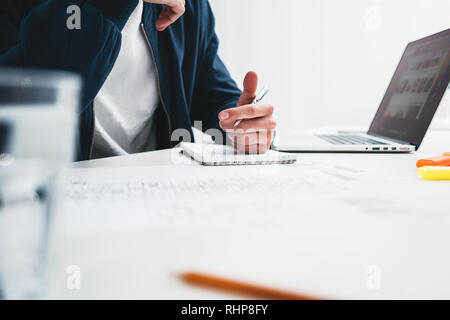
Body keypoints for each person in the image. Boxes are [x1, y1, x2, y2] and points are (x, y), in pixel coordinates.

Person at [0, 0, 276, 160]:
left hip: (154, 199)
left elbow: (214, 96)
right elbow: (21, 109)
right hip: (51, 203)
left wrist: (245, 123)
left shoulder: (189, 7)